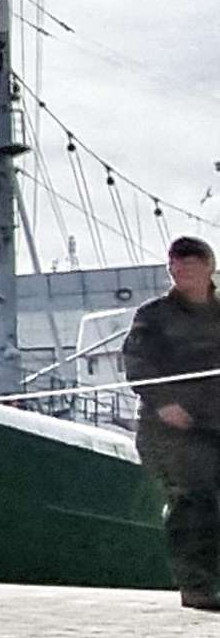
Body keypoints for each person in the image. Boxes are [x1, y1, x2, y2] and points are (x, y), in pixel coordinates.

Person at [122, 234, 220, 610]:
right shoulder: (153, 316)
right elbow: (138, 363)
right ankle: (196, 586)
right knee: (193, 502)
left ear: (208, 268)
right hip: (172, 430)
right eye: (176, 269)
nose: (183, 275)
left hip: (216, 424)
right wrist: (164, 403)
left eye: (190, 268)